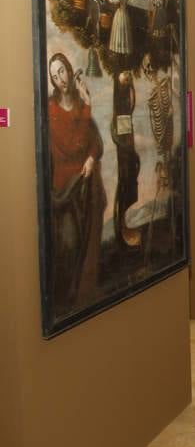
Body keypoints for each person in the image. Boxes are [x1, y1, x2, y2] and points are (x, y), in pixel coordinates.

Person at [47, 53, 106, 314]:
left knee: (87, 238)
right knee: (70, 243)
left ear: (71, 71)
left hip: (85, 185)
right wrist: (88, 106)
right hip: (64, 189)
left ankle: (84, 295)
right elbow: (74, 146)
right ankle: (67, 302)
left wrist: (92, 158)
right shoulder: (52, 109)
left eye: (63, 71)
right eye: (55, 74)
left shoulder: (81, 107)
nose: (61, 78)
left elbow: (93, 143)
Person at [112, 70, 141, 247]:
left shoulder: (126, 114)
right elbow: (116, 133)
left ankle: (125, 223)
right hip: (125, 156)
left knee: (131, 181)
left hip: (128, 153)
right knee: (125, 185)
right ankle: (121, 226)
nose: (128, 80)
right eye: (125, 80)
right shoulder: (119, 111)